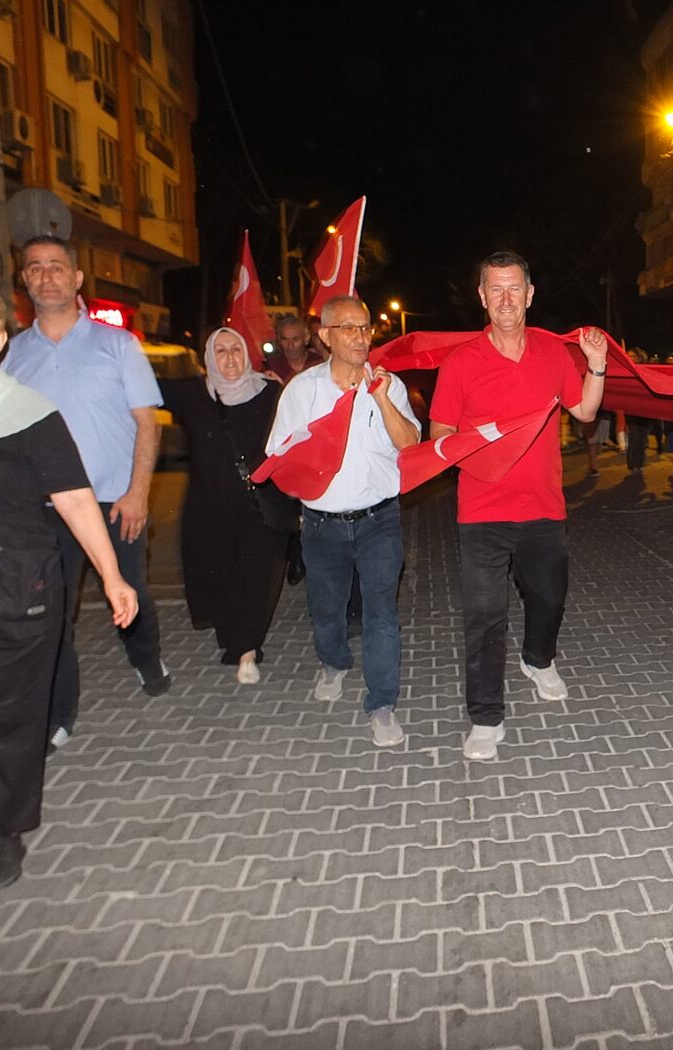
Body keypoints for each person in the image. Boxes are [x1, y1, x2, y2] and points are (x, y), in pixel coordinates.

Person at [0, 274, 137, 893]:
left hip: (11, 589)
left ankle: (1, 832)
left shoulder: (28, 412)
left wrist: (113, 575)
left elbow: (73, 497)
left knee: (7, 717)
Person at [429, 250, 608, 762]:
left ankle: (538, 658)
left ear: (530, 295)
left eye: (515, 289)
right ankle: (485, 716)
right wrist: (469, 444)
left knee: (549, 597)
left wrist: (595, 366)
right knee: (485, 616)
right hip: (482, 511)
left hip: (543, 507)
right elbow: (440, 432)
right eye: (495, 289)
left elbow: (586, 412)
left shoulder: (553, 354)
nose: (506, 299)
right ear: (482, 297)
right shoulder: (462, 361)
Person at [3, 235, 167, 752]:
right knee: (55, 611)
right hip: (46, 511)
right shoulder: (10, 356)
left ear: (77, 279)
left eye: (56, 267)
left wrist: (139, 492)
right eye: (35, 268)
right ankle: (59, 713)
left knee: (131, 592)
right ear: (25, 282)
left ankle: (146, 659)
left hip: (115, 500)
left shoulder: (117, 345)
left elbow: (148, 423)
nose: (46, 275)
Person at [266, 295, 420, 745]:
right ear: (325, 336)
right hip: (322, 525)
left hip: (379, 521)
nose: (360, 336)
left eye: (365, 327)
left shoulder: (387, 385)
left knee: (381, 614)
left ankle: (382, 703)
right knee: (327, 609)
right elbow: (279, 456)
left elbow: (410, 444)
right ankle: (333, 663)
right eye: (348, 328)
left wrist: (381, 398)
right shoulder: (302, 390)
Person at [160, 328, 296, 685]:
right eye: (220, 351)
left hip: (258, 507)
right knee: (218, 575)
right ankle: (233, 636)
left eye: (236, 348)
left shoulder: (270, 392)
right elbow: (139, 386)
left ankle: (247, 649)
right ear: (208, 358)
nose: (230, 358)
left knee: (254, 574)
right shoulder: (193, 394)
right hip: (207, 510)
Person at [267, 316, 324, 383]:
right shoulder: (272, 365)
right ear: (279, 341)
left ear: (306, 339)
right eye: (285, 339)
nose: (290, 345)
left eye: (295, 339)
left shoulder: (319, 362)